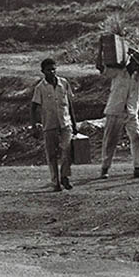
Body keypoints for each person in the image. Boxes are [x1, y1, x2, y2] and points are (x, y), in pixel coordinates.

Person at [31, 57, 77, 192]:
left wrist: (74, 123)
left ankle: (64, 176)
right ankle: (55, 181)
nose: (51, 72)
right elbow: (33, 107)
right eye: (48, 70)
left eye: (53, 69)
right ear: (42, 71)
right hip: (49, 124)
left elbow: (69, 104)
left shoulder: (64, 83)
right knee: (51, 155)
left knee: (66, 150)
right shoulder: (40, 88)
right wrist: (34, 125)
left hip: (65, 123)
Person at [99, 60, 139, 179]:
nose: (136, 66)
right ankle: (105, 168)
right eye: (135, 63)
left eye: (138, 64)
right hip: (115, 110)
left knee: (137, 138)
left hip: (131, 112)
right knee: (110, 141)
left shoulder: (138, 76)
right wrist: (100, 47)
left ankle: (138, 167)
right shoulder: (118, 72)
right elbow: (100, 67)